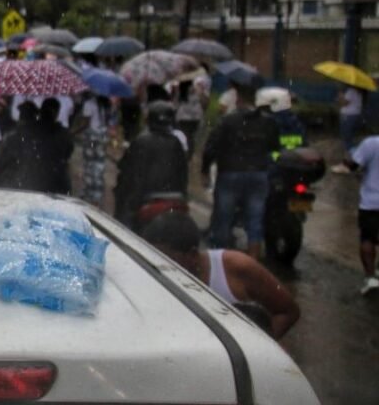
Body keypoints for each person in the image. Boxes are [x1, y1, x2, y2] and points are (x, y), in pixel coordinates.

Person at [142, 212, 300, 339]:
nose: (158, 265)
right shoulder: (154, 278)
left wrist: (259, 350)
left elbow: (288, 312)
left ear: (191, 254)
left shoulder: (236, 267)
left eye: (166, 258)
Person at [202, 84, 281, 259]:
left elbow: (211, 146)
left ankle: (219, 261)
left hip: (230, 173)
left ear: (237, 99)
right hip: (258, 174)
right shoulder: (268, 121)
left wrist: (205, 170)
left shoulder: (228, 121)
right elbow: (275, 147)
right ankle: (252, 261)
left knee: (223, 217)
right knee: (255, 219)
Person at [114, 102, 189, 229]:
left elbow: (126, 169)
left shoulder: (141, 140)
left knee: (123, 226)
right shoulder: (176, 142)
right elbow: (183, 174)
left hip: (142, 199)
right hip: (168, 199)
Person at [347, 134, 379, 294]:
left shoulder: (371, 143)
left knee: (367, 239)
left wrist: (348, 162)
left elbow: (353, 165)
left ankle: (371, 277)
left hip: (371, 203)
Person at [78, 95, 111, 207]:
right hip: (103, 135)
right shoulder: (106, 103)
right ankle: (97, 195)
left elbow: (85, 122)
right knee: (99, 165)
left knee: (89, 165)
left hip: (92, 136)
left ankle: (88, 194)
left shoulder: (89, 103)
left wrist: (75, 132)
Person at [36, 98, 75, 194]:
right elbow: (68, 151)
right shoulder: (63, 133)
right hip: (57, 176)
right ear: (57, 113)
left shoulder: (31, 129)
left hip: (34, 175)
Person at [338, 85, 364, 153]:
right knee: (351, 135)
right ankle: (352, 150)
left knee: (346, 136)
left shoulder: (351, 91)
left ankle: (350, 154)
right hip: (356, 115)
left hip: (348, 116)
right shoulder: (359, 92)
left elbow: (344, 103)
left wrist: (340, 95)